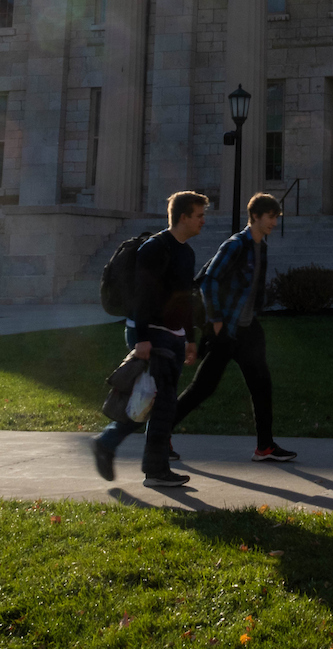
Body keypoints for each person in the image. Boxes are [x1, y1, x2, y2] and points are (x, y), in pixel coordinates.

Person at [91, 189, 208, 488]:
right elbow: (141, 295)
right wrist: (142, 338)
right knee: (163, 402)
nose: (203, 221)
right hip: (150, 333)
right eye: (199, 215)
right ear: (183, 217)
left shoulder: (186, 252)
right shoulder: (155, 249)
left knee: (151, 402)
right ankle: (154, 470)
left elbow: (184, 299)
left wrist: (190, 338)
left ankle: (107, 444)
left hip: (173, 335)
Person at [175, 192, 296, 464]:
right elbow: (209, 281)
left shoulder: (262, 246)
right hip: (226, 329)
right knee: (203, 387)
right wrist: (216, 319)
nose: (274, 223)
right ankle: (159, 435)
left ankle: (265, 447)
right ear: (254, 216)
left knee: (262, 385)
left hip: (248, 329)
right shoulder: (235, 245)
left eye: (276, 218)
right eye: (270, 217)